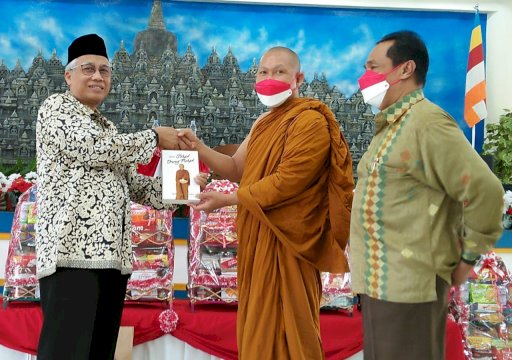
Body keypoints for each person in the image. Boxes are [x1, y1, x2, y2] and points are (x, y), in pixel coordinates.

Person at [178, 46, 354, 359]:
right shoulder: (263, 122)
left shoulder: (310, 121)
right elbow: (236, 168)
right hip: (257, 239)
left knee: (293, 333)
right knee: (258, 328)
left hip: (290, 244)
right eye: (263, 72)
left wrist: (228, 199)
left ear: (297, 78)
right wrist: (200, 147)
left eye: (279, 72)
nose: (269, 78)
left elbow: (288, 181)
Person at [349, 30, 504, 360]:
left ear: (405, 69)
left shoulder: (427, 122)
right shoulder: (393, 125)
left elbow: (486, 191)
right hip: (382, 284)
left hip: (411, 288)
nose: (365, 77)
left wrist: (468, 258)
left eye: (374, 67)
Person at [35, 33, 180, 360]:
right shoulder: (56, 108)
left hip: (112, 262)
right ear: (68, 76)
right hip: (72, 259)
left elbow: (141, 187)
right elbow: (89, 150)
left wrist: (185, 184)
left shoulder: (108, 129)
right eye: (88, 69)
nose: (98, 77)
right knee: (67, 353)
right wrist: (155, 136)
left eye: (105, 71)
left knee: (99, 353)